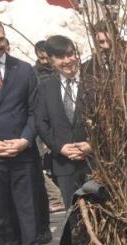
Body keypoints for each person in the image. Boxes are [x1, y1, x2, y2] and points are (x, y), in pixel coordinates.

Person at [0, 19, 44, 245]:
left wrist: (25, 140)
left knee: (28, 210)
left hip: (22, 153)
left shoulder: (23, 70)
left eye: (1, 39)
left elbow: (35, 111)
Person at [35, 35, 93, 209]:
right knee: (73, 212)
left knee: (101, 211)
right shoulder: (45, 86)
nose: (67, 61)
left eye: (70, 54)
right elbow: (41, 123)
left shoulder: (93, 83)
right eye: (61, 57)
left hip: (94, 161)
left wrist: (92, 145)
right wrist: (60, 147)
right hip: (63, 163)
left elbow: (109, 123)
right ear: (51, 60)